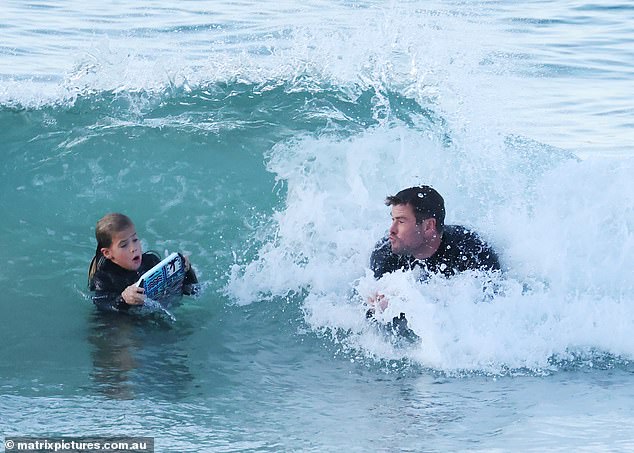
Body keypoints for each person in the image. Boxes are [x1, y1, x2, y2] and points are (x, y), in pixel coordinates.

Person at [367, 186, 500, 336]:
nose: (391, 229)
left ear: (429, 226)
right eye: (392, 220)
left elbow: (491, 310)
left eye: (401, 221)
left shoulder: (471, 251)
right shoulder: (385, 253)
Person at [88, 213, 198, 313]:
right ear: (107, 253)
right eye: (124, 245)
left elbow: (191, 290)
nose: (133, 248)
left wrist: (186, 271)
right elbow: (103, 306)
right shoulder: (103, 279)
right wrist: (123, 299)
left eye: (135, 240)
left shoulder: (151, 262)